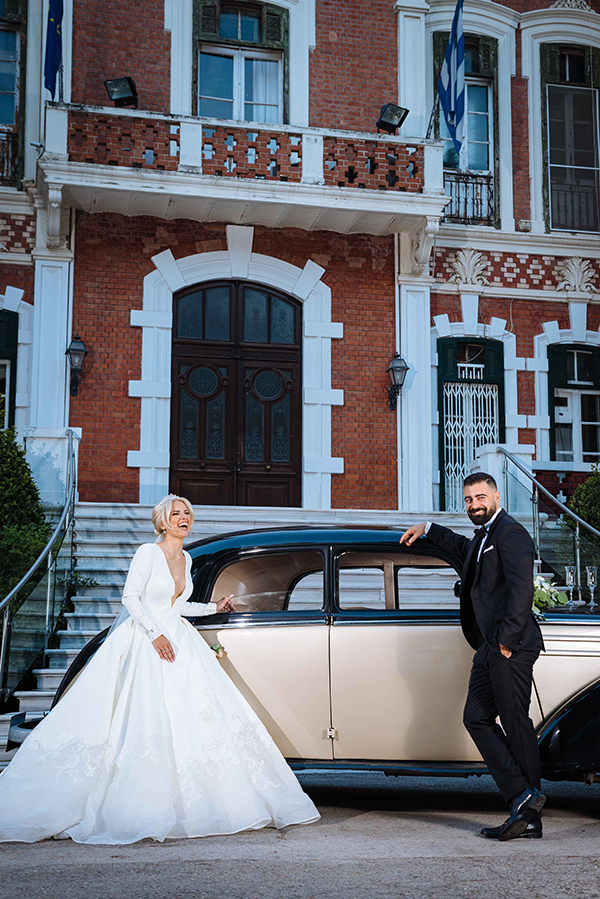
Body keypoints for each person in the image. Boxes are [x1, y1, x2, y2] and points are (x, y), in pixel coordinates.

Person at [0, 495, 319, 843]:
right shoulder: (147, 553)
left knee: (192, 716)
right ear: (163, 522)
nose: (183, 518)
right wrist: (154, 635)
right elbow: (131, 598)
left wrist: (214, 606)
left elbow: (178, 606)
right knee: (142, 718)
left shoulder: (186, 557)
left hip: (180, 641)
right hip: (146, 642)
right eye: (176, 514)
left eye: (187, 513)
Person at [400, 472, 545, 841]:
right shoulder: (484, 538)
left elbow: (521, 590)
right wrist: (429, 527)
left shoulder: (510, 534)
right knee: (476, 717)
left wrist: (507, 642)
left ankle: (529, 816)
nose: (474, 505)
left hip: (508, 646)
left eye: (480, 497)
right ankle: (523, 797)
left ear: (496, 496)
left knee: (516, 723)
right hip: (489, 646)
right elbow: (464, 550)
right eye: (468, 500)